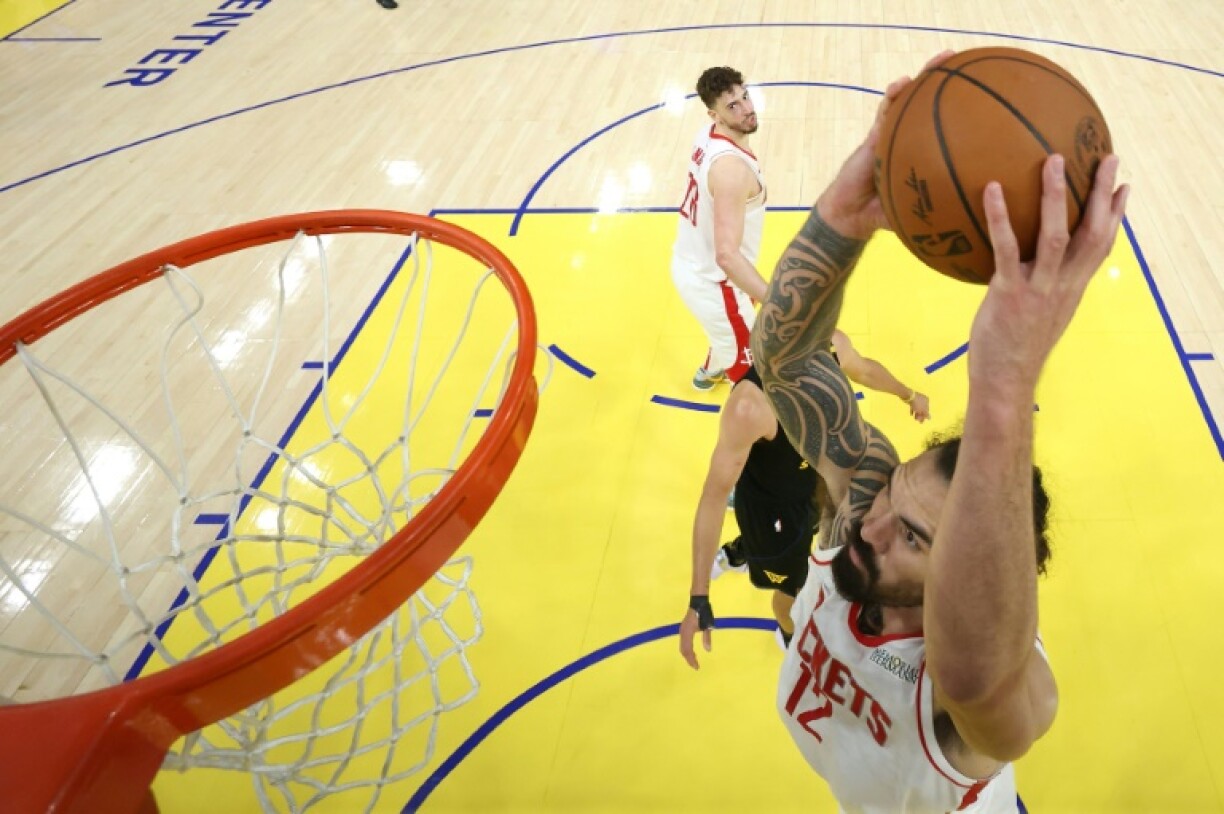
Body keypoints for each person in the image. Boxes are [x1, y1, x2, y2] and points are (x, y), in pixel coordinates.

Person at [695, 50, 1129, 812]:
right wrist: (846, 214)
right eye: (895, 499)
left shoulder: (981, 691)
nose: (875, 525)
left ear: (969, 567)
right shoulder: (866, 511)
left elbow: (977, 675)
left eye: (919, 539)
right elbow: (787, 357)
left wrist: (1004, 385)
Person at [679, 337, 931, 669]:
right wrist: (699, 597)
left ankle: (742, 552)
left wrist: (908, 394)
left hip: (813, 485)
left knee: (821, 530)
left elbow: (865, 370)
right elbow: (712, 497)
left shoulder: (830, 346)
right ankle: (788, 635)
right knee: (792, 592)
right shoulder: (751, 407)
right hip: (772, 511)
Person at [670, 66, 767, 391]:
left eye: (745, 97)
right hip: (717, 282)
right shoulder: (730, 169)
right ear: (715, 114)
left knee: (731, 332)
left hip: (698, 263)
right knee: (756, 380)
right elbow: (727, 255)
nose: (747, 109)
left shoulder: (709, 133)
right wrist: (773, 300)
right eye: (733, 107)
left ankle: (711, 369)